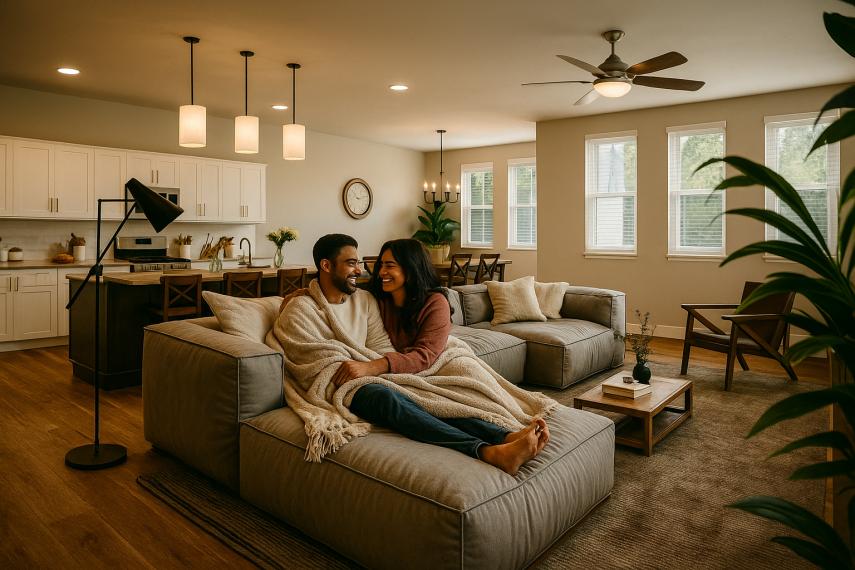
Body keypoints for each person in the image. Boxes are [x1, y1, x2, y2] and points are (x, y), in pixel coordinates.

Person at [282, 234, 549, 475]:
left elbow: (387, 347)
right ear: (326, 266)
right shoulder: (358, 299)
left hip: (407, 363)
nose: (364, 270)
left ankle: (503, 435)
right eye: (354, 263)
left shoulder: (393, 301)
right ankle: (486, 450)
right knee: (389, 399)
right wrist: (299, 295)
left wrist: (372, 367)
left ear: (410, 269)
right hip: (351, 381)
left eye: (387, 265)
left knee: (431, 397)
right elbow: (314, 356)